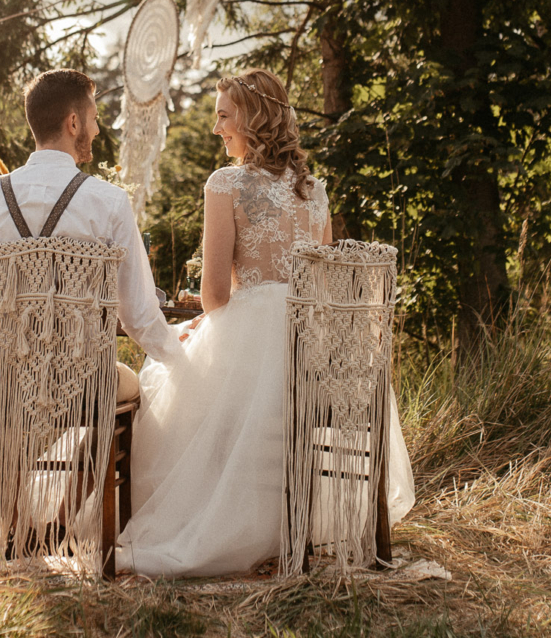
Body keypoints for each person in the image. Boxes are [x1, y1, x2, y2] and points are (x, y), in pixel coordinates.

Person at [117, 69, 415, 577]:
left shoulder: (225, 184)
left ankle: (216, 522)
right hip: (318, 352)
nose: (217, 129)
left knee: (164, 377)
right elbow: (318, 286)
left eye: (224, 116)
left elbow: (213, 296)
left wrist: (207, 319)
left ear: (253, 119)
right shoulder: (316, 189)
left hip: (253, 338)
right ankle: (296, 524)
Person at [0, 69, 181, 408]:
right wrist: (182, 362)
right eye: (94, 119)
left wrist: (26, 360)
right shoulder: (108, 202)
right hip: (86, 386)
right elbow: (138, 316)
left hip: (4, 381)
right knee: (142, 385)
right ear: (74, 123)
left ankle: (10, 456)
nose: (96, 129)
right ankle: (94, 459)